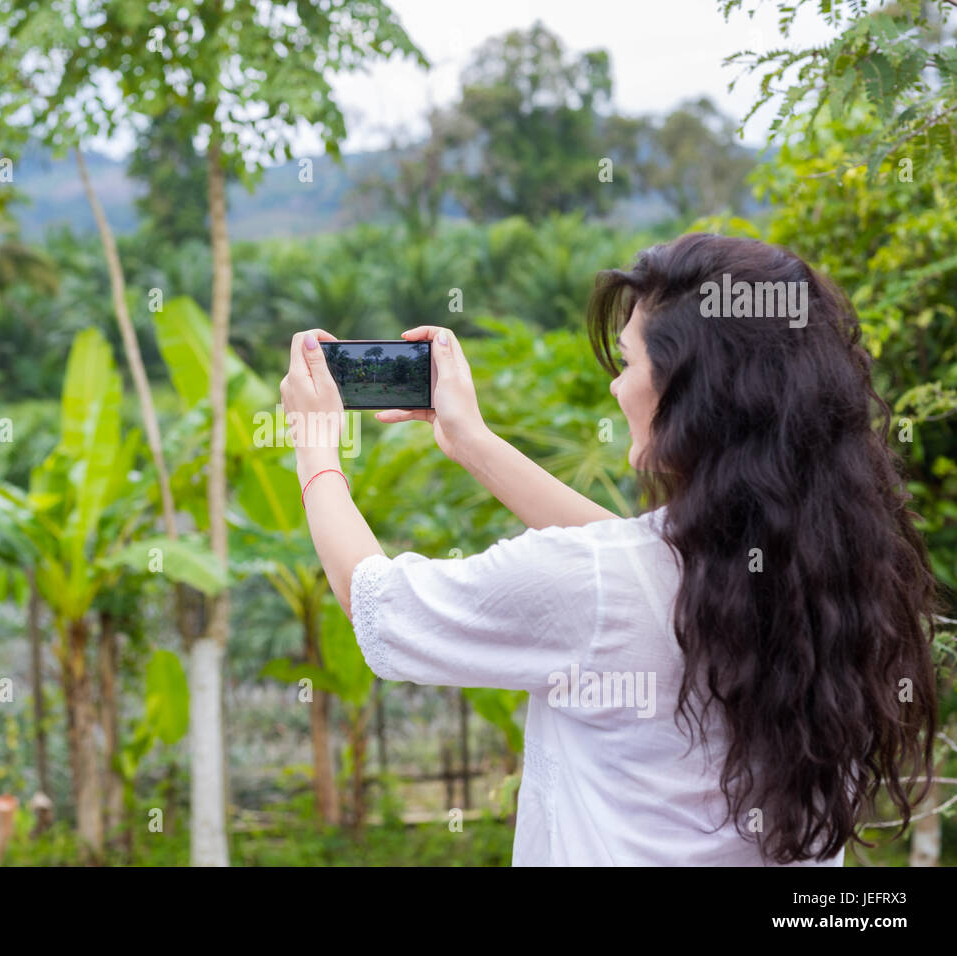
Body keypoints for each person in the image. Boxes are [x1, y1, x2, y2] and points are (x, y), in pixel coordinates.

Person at [278, 233, 942, 866]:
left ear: (690, 395)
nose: (616, 388)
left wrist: (314, 446)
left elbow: (378, 604)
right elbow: (637, 570)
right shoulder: (840, 571)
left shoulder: (605, 586)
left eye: (628, 363)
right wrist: (471, 441)